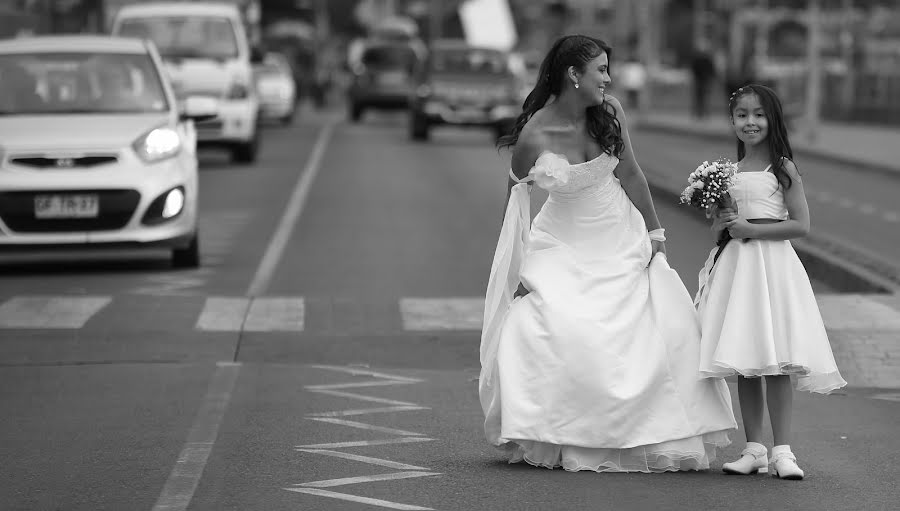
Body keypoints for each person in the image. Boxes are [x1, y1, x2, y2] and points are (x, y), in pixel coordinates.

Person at [479, 35, 736, 473]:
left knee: (665, 327)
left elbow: (632, 173)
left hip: (620, 234)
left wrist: (655, 230)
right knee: (550, 327)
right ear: (573, 75)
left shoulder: (610, 114)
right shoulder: (535, 136)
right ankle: (562, 433)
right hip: (562, 243)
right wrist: (516, 263)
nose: (609, 78)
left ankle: (650, 433)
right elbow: (514, 204)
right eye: (600, 69)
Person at [695, 84, 847, 480]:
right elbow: (720, 231)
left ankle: (783, 451)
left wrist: (752, 229)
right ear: (732, 121)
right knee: (747, 362)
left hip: (773, 267)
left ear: (772, 119)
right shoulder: (727, 172)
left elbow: (801, 224)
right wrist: (723, 221)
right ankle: (753, 449)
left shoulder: (782, 168)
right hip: (739, 269)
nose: (750, 122)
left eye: (758, 115)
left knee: (778, 361)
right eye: (742, 115)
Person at [689, 40, 716, 119]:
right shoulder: (704, 59)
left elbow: (711, 70)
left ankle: (701, 113)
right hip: (702, 80)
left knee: (701, 97)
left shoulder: (700, 59)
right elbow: (711, 70)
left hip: (703, 80)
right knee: (702, 97)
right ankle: (701, 113)